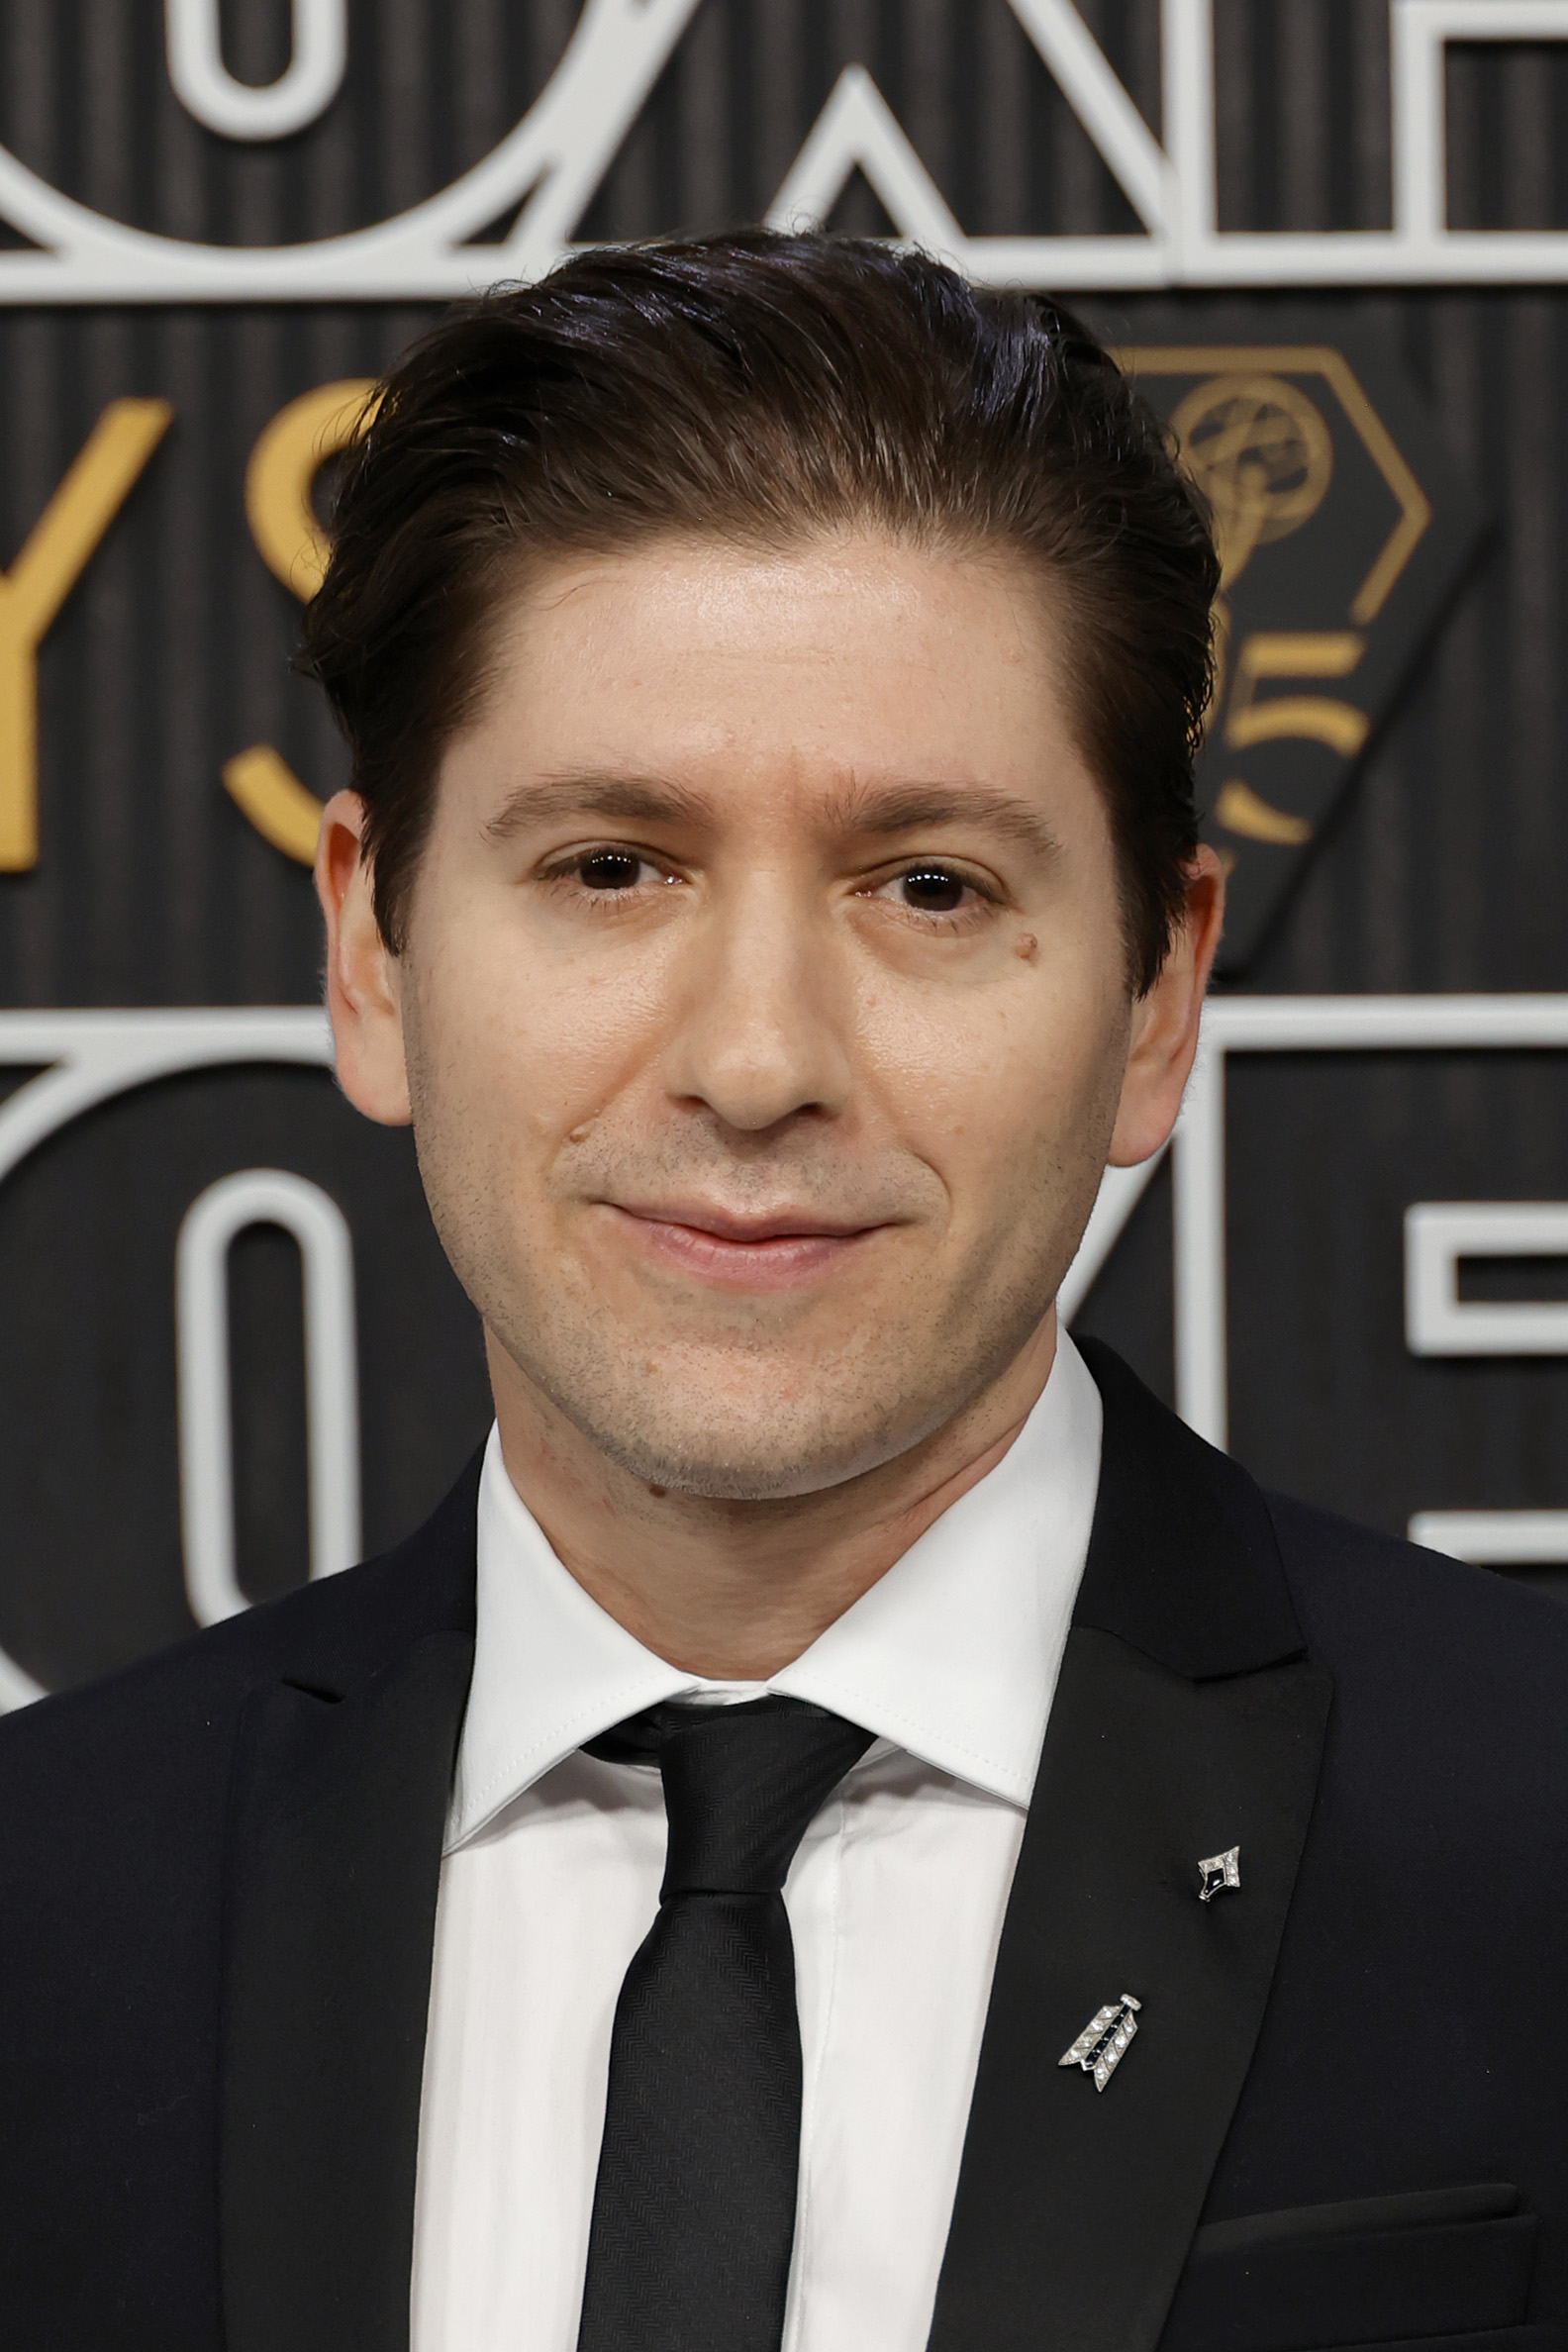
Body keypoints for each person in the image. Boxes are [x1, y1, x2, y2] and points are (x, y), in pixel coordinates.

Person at [2, 233, 1566, 2352]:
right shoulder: (43, 1909)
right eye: (610, 869)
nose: (757, 1061)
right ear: (372, 953)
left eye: (930, 886)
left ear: (1153, 994)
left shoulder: (1526, 1839)